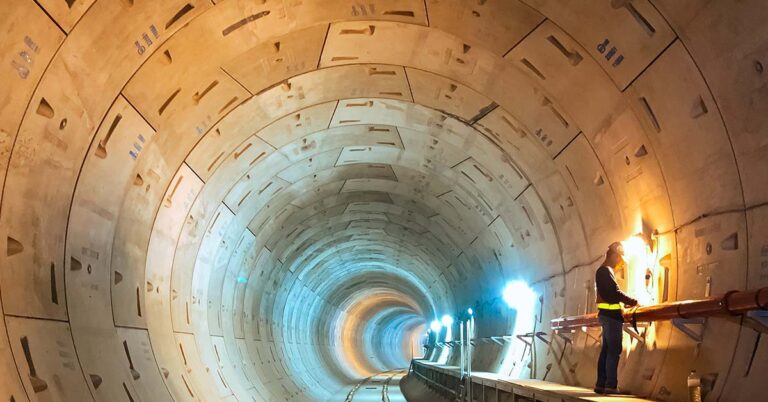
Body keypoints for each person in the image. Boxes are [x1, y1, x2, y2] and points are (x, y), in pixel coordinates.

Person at [594, 242, 638, 395]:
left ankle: (601, 384)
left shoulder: (604, 271)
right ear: (613, 255)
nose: (619, 261)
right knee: (613, 350)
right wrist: (633, 301)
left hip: (607, 316)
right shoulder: (605, 271)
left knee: (606, 350)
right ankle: (611, 386)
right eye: (618, 258)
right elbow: (615, 293)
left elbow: (612, 293)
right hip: (611, 317)